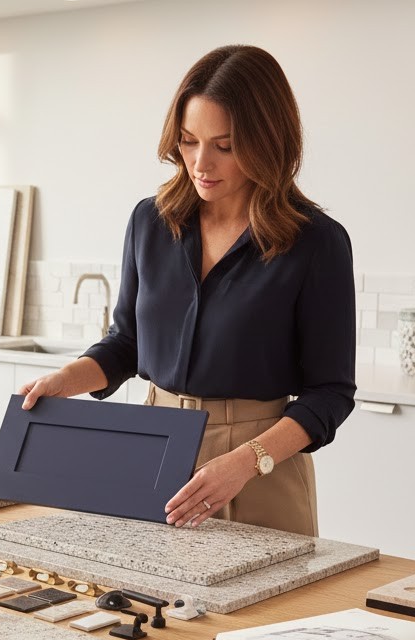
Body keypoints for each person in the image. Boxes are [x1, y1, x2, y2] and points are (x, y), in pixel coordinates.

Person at [19, 44, 356, 536]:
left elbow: (330, 394)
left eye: (224, 145)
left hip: (259, 465)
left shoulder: (316, 242)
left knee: (262, 613)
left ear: (268, 142)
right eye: (188, 141)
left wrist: (246, 462)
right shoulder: (150, 222)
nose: (201, 163)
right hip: (154, 450)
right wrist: (66, 379)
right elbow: (128, 343)